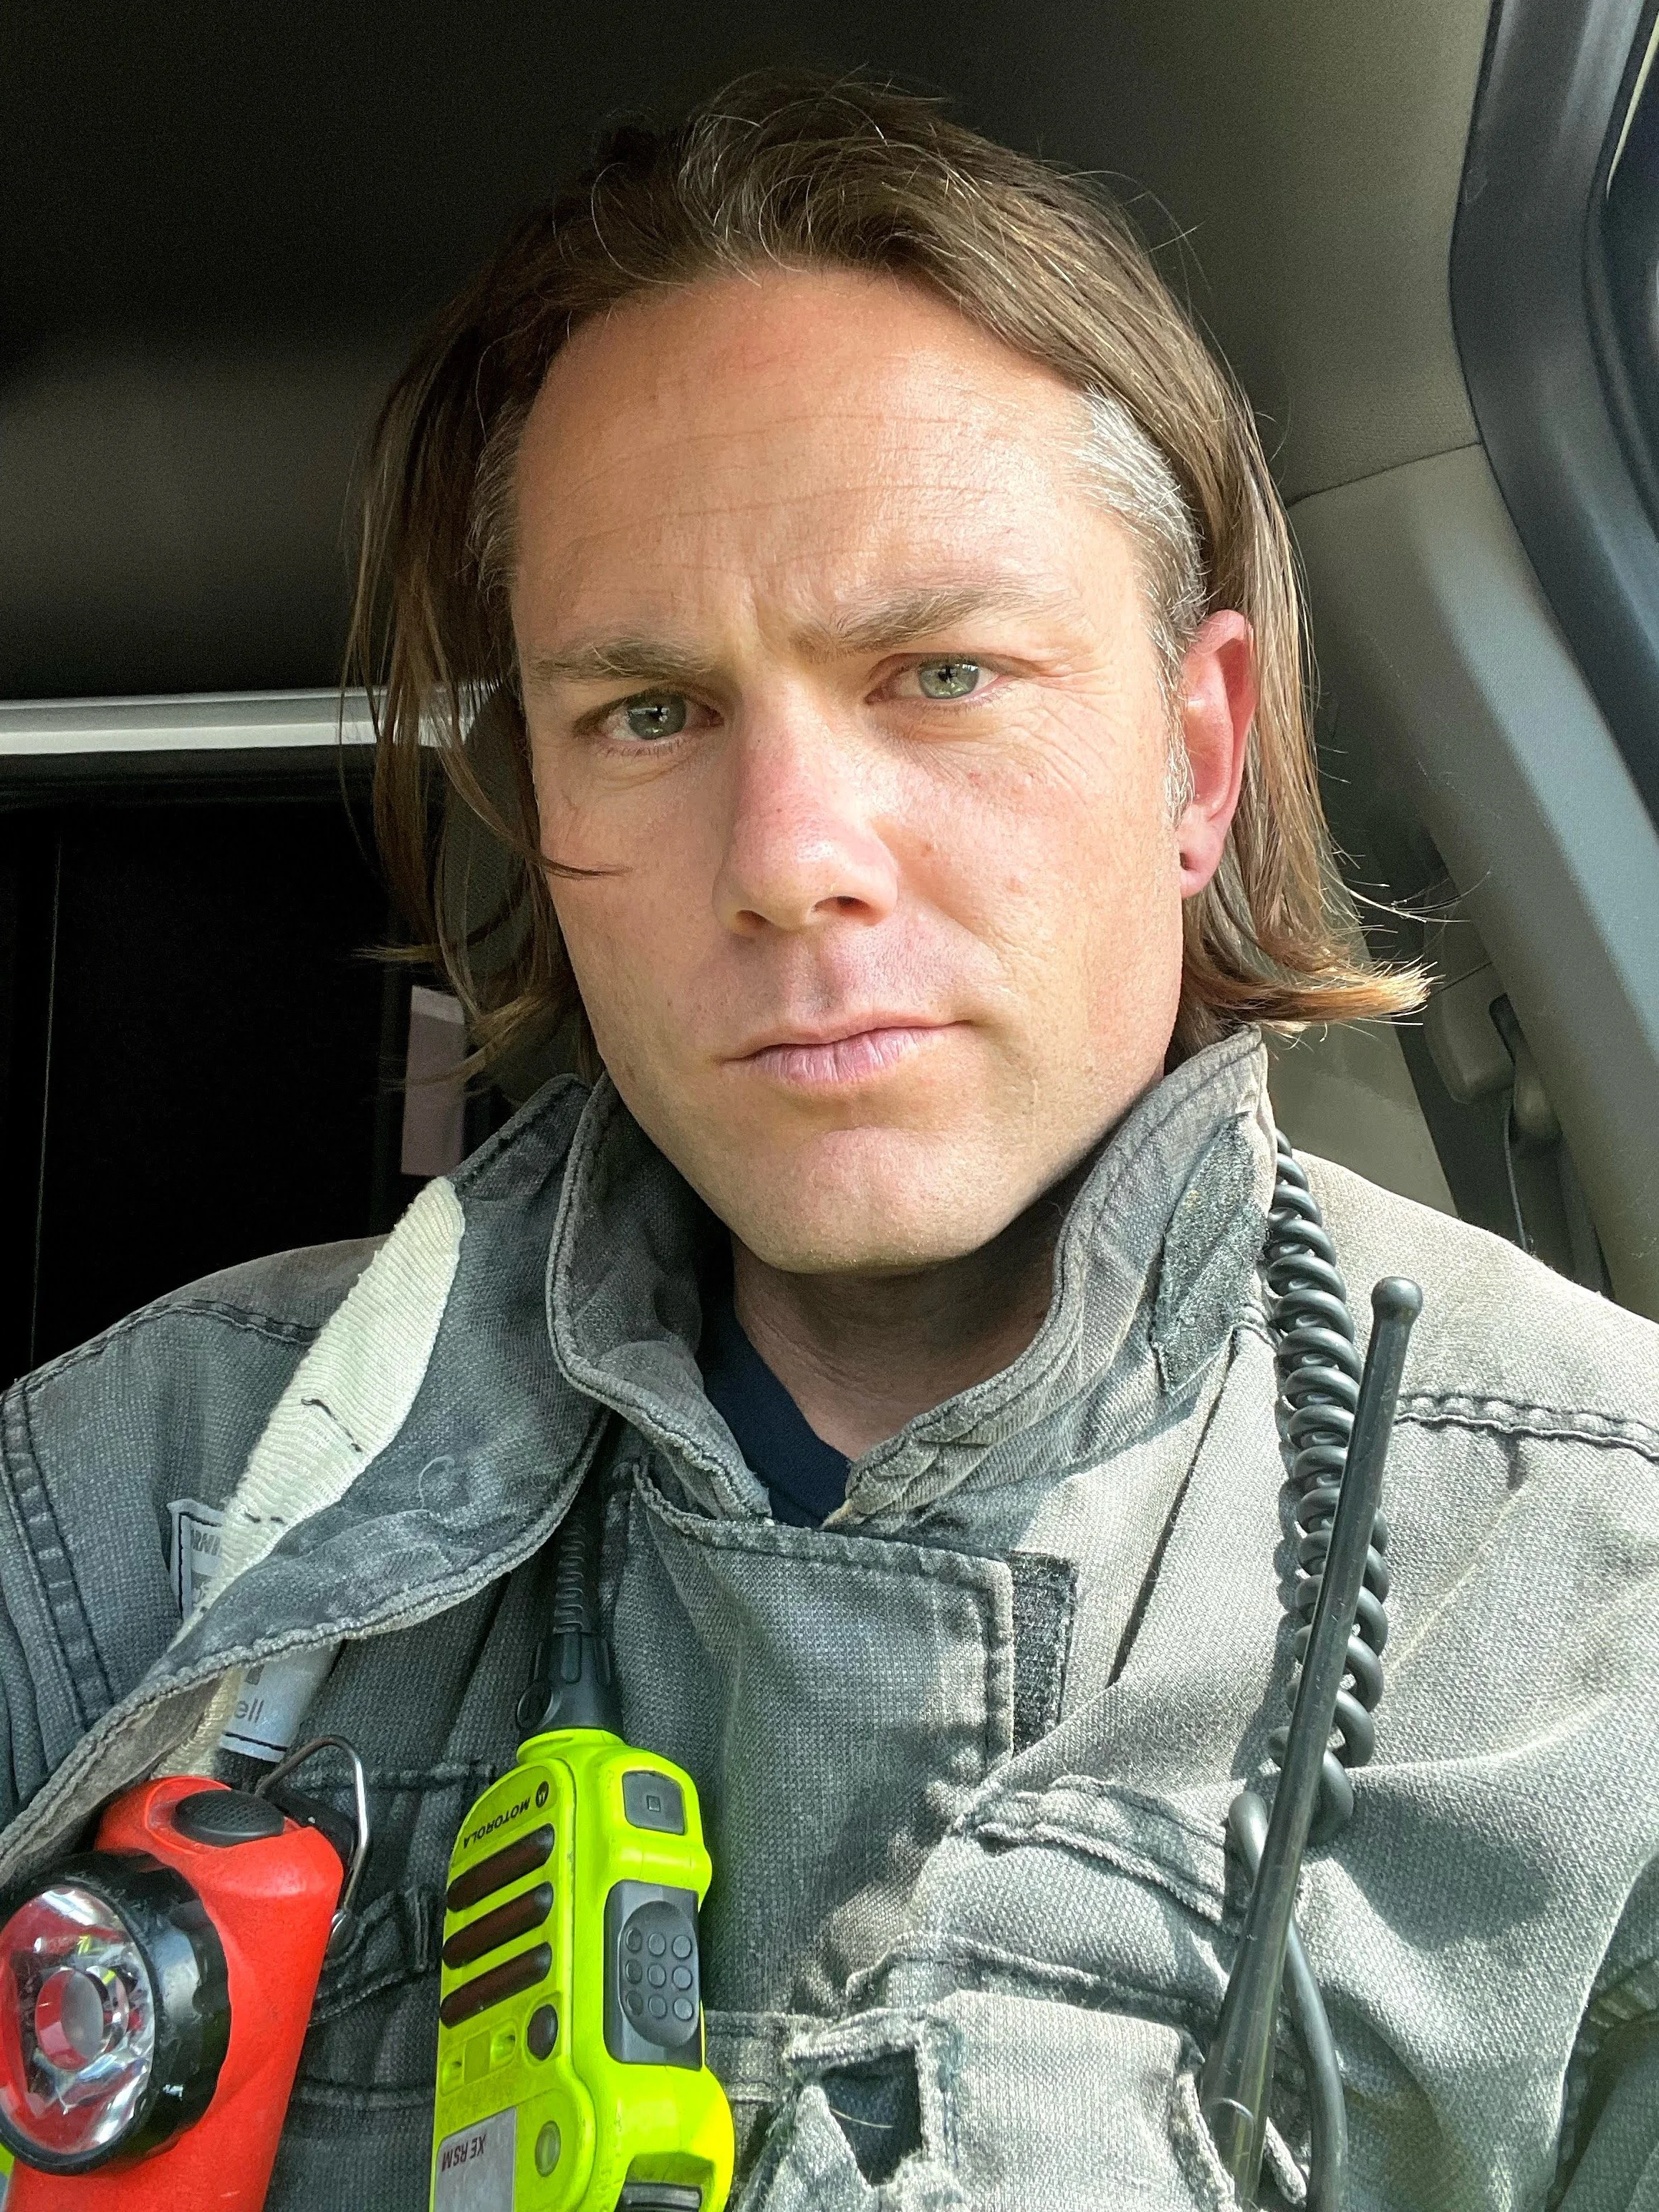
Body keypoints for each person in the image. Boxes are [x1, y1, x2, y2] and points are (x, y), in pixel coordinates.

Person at [3, 74, 1657, 2211]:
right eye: (651, 714)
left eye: (939, 675)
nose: (788, 864)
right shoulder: (127, 1503)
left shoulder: (1592, 1610)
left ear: (1194, 750)